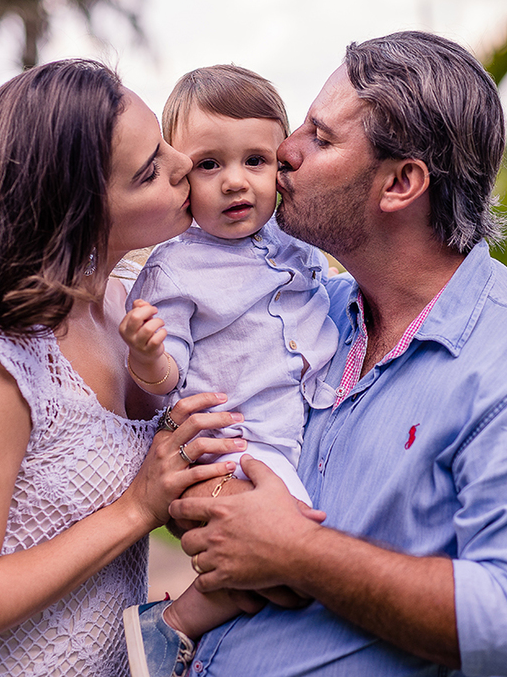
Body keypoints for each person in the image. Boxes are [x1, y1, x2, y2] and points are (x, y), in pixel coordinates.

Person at [166, 31, 507, 677]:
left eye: (319, 139)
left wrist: (300, 551)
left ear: (401, 182)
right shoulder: (309, 311)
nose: (284, 151)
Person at [0, 59, 245, 677]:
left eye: (164, 144)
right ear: (76, 213)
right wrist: (137, 509)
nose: (181, 166)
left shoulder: (127, 307)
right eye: (148, 172)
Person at [115, 66, 338, 672]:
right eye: (209, 165)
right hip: (233, 444)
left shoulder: (299, 247)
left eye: (256, 161)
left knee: (289, 570)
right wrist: (149, 354)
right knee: (300, 565)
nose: (236, 183)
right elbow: (159, 387)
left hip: (287, 436)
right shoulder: (175, 270)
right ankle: (174, 623)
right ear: (180, 175)